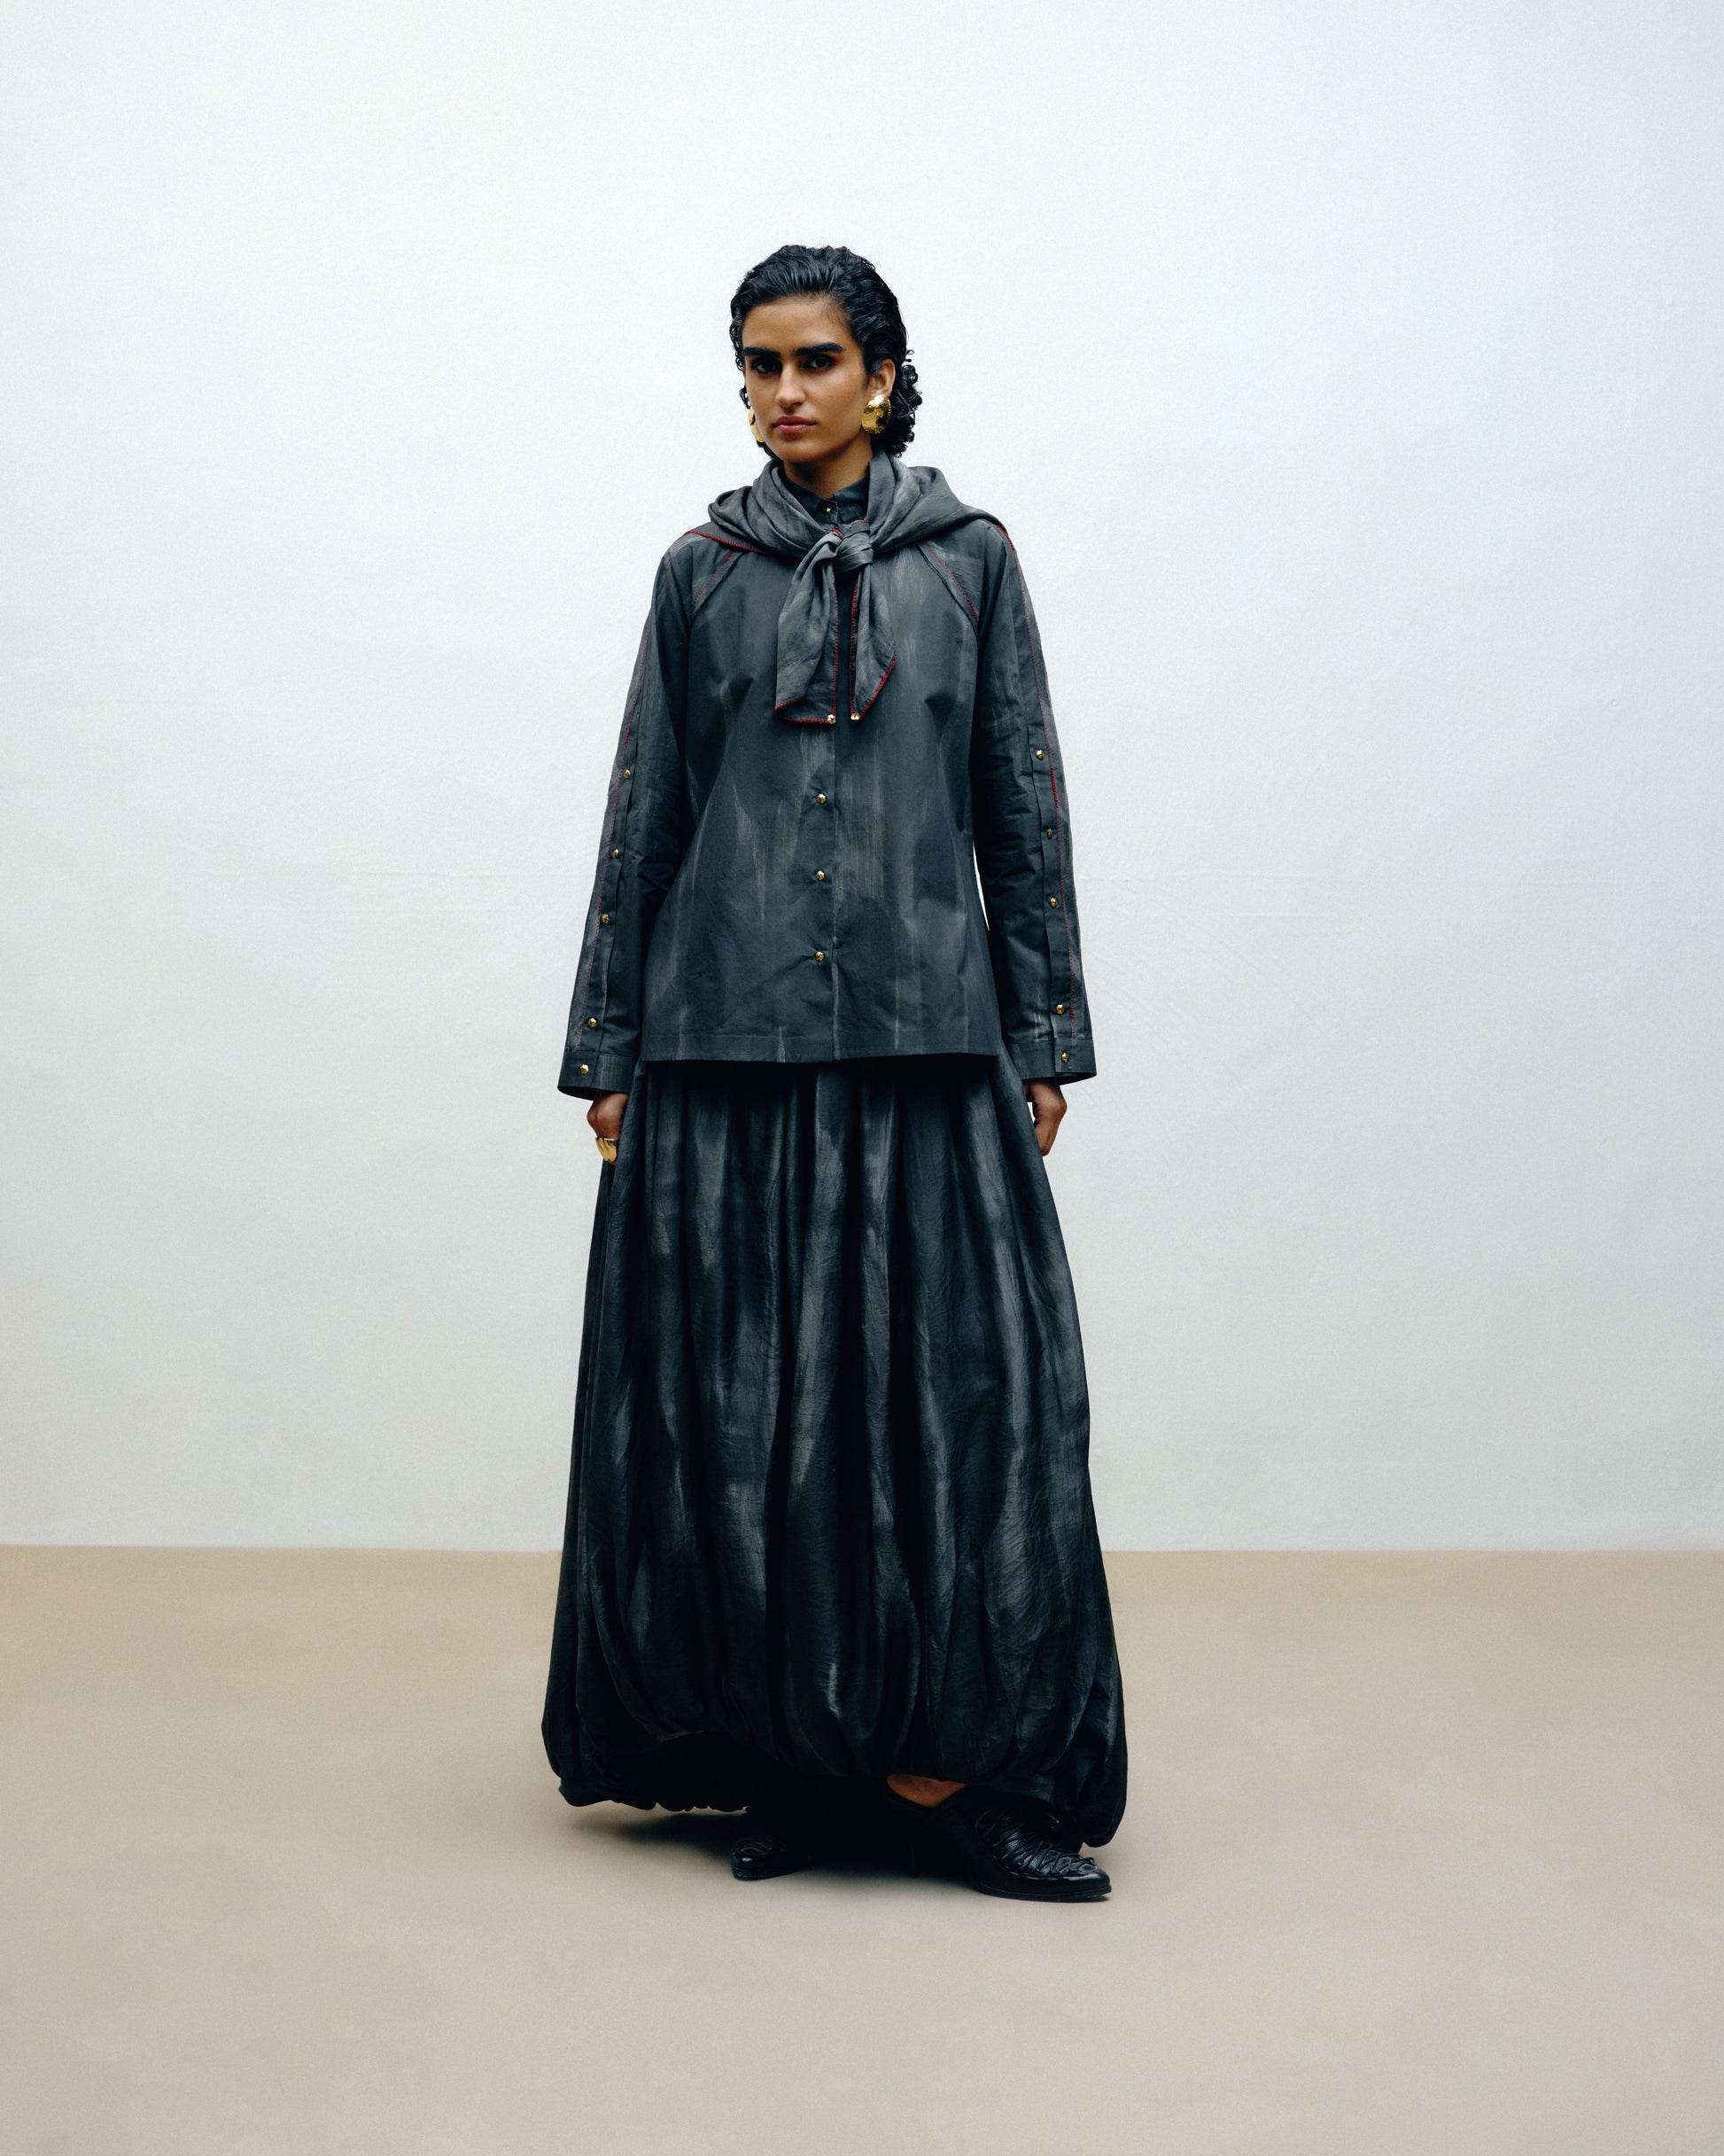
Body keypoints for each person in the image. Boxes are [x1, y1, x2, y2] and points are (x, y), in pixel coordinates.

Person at [540, 244, 1126, 1903]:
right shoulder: (699, 572)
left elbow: (1020, 799)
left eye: (812, 360)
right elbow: (646, 810)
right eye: (757, 363)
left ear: (880, 374)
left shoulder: (970, 562)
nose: (782, 391)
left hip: (930, 1035)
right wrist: (608, 1048)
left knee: (961, 1412)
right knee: (749, 1418)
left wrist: (1043, 1034)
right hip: (718, 1044)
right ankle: (798, 1760)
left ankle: (947, 1779)